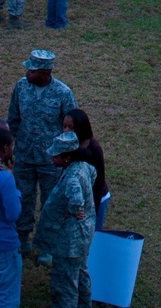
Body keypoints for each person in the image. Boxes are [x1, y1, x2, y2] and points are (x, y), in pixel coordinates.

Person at [8, 49, 76, 256]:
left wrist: (65, 156)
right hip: (25, 156)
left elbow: (71, 128)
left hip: (51, 160)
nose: (27, 72)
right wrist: (11, 147)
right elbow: (13, 119)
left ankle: (47, 246)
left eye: (33, 70)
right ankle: (23, 240)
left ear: (46, 72)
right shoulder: (21, 87)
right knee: (23, 198)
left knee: (51, 202)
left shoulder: (63, 93)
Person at [34, 130, 96, 308]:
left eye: (56, 156)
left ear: (66, 158)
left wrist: (73, 210)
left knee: (65, 285)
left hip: (70, 243)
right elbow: (93, 174)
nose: (52, 158)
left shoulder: (72, 178)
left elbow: (76, 200)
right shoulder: (82, 166)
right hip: (83, 236)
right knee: (81, 274)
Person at [62, 109, 109, 232]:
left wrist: (92, 209)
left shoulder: (94, 149)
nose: (66, 130)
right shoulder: (67, 145)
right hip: (79, 197)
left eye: (70, 127)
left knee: (92, 233)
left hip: (95, 197)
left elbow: (99, 183)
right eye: (64, 126)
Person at [0, 126, 21, 308]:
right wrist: (18, 194)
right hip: (4, 245)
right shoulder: (5, 179)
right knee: (7, 297)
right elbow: (13, 214)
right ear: (5, 148)